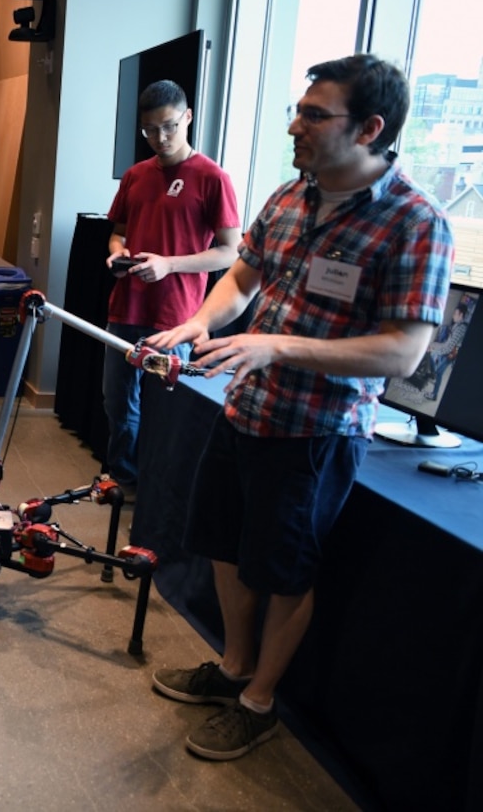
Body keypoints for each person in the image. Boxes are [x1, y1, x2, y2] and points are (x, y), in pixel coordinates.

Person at [147, 54, 454, 761]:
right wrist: (204, 322)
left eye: (315, 115)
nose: (295, 124)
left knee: (285, 574)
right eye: (298, 109)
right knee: (225, 548)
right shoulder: (291, 196)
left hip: (315, 433)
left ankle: (259, 703)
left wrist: (278, 348)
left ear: (370, 128)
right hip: (245, 409)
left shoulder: (416, 224)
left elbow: (401, 354)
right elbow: (243, 277)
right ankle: (231, 670)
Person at [102, 79, 241, 500]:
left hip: (175, 317)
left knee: (168, 408)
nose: (159, 139)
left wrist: (169, 266)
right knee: (118, 402)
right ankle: (125, 481)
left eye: (168, 127)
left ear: (188, 118)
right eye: (149, 130)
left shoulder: (212, 177)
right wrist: (117, 253)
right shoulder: (136, 175)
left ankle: (161, 490)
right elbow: (118, 233)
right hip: (125, 308)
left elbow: (230, 252)